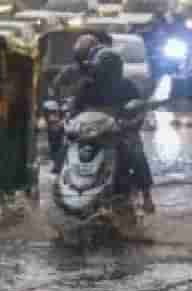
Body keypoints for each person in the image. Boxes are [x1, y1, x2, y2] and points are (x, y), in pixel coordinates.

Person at [72, 46, 156, 213]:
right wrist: (69, 120)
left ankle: (146, 194)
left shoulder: (127, 86)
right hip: (91, 133)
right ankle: (61, 185)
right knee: (67, 147)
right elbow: (75, 108)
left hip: (119, 133)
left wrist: (130, 123)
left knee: (136, 153)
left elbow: (138, 110)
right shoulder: (87, 86)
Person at [47, 34, 99, 174]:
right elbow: (55, 87)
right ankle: (58, 164)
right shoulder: (70, 71)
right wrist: (60, 105)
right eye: (82, 56)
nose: (85, 62)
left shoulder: (101, 72)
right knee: (57, 130)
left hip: (99, 116)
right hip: (75, 114)